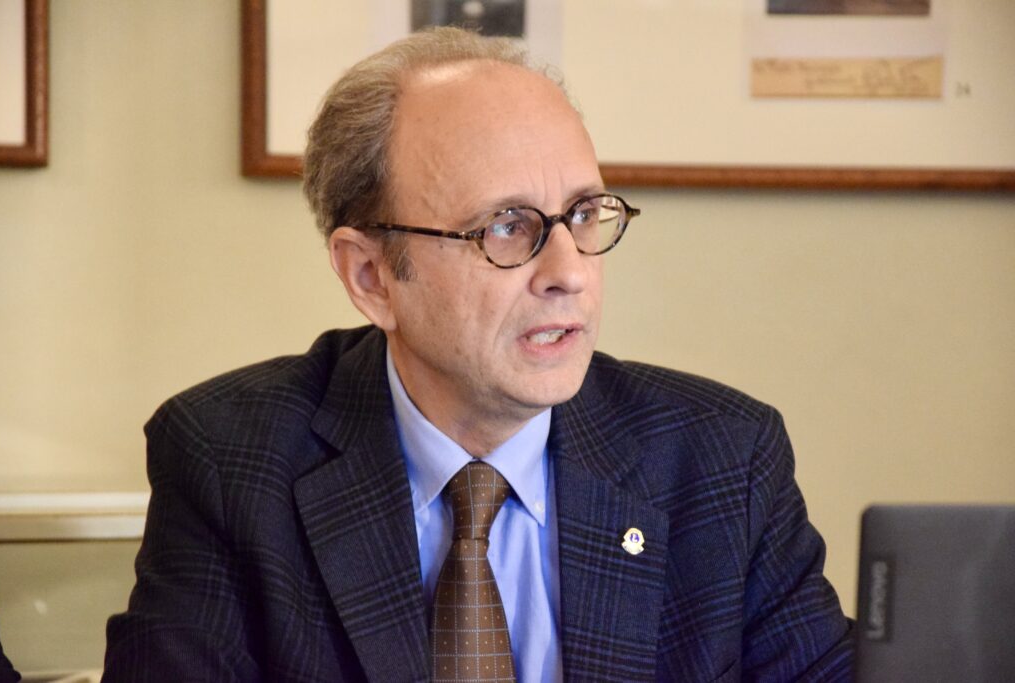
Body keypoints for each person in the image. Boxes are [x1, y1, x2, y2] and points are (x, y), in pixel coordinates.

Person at [104, 27, 852, 682]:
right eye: (505, 226)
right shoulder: (230, 459)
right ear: (371, 278)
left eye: (583, 214)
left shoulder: (721, 458)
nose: (569, 273)